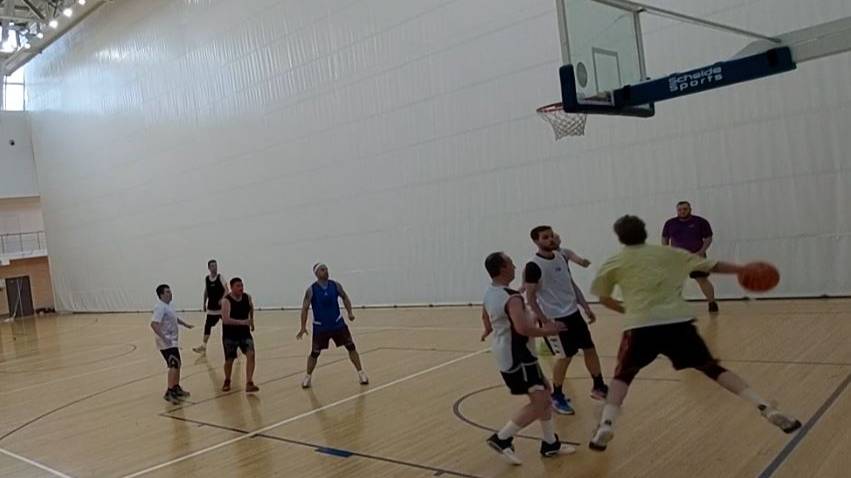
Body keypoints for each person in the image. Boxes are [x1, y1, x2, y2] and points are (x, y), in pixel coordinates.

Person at [588, 215, 801, 451]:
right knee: (713, 368)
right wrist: (743, 269)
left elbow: (603, 298)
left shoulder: (614, 261)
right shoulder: (670, 253)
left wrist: (628, 311)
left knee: (622, 376)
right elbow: (712, 265)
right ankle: (765, 407)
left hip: (640, 326)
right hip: (678, 323)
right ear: (644, 232)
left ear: (620, 237)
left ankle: (607, 424)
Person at [481, 251, 576, 464]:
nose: (515, 267)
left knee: (544, 393)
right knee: (542, 401)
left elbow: (485, 315)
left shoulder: (490, 292)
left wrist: (488, 329)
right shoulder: (512, 298)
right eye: (511, 263)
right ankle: (502, 438)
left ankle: (550, 443)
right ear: (503, 268)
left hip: (509, 354)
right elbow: (523, 329)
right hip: (519, 356)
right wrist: (549, 330)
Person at [524, 226, 607, 415]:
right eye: (545, 237)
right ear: (536, 241)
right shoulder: (533, 266)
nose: (550, 239)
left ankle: (598, 386)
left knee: (590, 349)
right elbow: (530, 298)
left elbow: (570, 284)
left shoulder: (561, 257)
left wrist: (585, 306)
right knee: (565, 357)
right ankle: (557, 396)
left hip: (573, 314)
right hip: (555, 319)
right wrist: (546, 322)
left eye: (551, 235)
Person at [297, 263, 368, 388]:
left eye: (326, 269)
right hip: (321, 328)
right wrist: (303, 327)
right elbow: (305, 308)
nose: (326, 271)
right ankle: (307, 377)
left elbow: (345, 297)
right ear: (316, 273)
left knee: (351, 347)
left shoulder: (335, 285)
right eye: (322, 270)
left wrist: (350, 312)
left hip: (338, 324)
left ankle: (361, 373)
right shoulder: (311, 290)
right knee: (314, 353)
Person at [662, 201, 718, 313]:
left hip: (696, 257)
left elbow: (708, 238)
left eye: (685, 209)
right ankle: (674, 305)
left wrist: (701, 251)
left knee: (702, 279)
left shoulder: (700, 222)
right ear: (677, 211)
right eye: (680, 210)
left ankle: (712, 303)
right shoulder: (670, 223)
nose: (682, 211)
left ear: (690, 209)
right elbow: (665, 238)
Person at [150, 284, 194, 404]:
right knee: (173, 364)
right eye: (167, 292)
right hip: (166, 343)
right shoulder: (160, 307)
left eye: (170, 291)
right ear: (161, 295)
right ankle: (169, 392)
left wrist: (185, 324)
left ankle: (176, 387)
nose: (170, 294)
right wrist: (164, 337)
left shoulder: (169, 306)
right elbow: (154, 324)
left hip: (172, 341)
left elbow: (174, 318)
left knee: (177, 364)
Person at [220, 277, 259, 393]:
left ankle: (249, 382)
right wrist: (243, 322)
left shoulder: (247, 297)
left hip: (244, 333)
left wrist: (251, 321)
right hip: (230, 335)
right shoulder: (226, 301)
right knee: (229, 360)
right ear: (231, 288)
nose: (241, 288)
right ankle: (227, 380)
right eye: (238, 286)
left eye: (242, 285)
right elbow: (225, 320)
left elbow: (251, 308)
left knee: (251, 354)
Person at [194, 259, 228, 354]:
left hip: (221, 308)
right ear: (209, 268)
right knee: (207, 326)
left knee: (228, 326)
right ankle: (203, 346)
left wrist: (222, 299)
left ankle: (235, 344)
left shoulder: (220, 277)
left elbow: (226, 290)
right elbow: (206, 291)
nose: (215, 268)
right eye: (212, 266)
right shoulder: (207, 279)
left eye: (216, 265)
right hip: (211, 308)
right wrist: (204, 303)